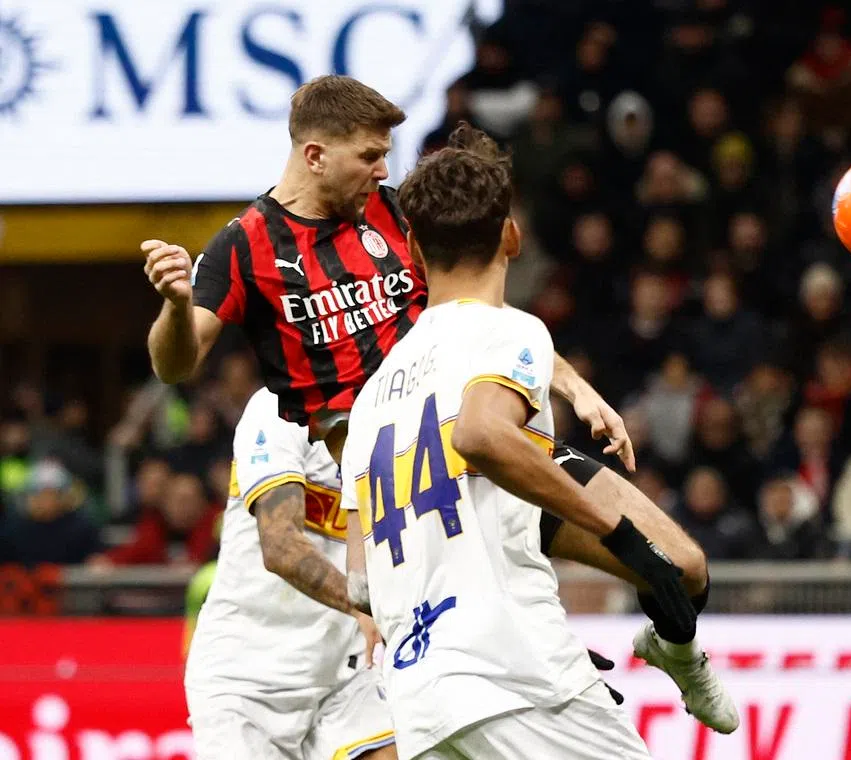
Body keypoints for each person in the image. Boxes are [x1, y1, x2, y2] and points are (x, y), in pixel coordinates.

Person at [142, 75, 730, 730]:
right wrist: (172, 304)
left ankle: (675, 650)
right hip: (408, 485)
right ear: (315, 156)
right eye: (368, 156)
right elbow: (176, 363)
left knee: (683, 564)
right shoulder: (242, 248)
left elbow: (482, 308)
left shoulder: (395, 214)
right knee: (498, 669)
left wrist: (572, 385)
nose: (383, 169)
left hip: (491, 442)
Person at [340, 123, 713, 760]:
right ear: (512, 235)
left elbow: (360, 584)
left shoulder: (373, 397)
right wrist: (614, 531)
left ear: (412, 246)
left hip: (422, 699)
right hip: (515, 678)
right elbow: (481, 434)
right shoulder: (510, 330)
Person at [183, 388, 394, 760]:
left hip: (343, 671)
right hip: (246, 680)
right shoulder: (277, 408)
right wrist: (363, 607)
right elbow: (280, 547)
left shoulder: (387, 411)